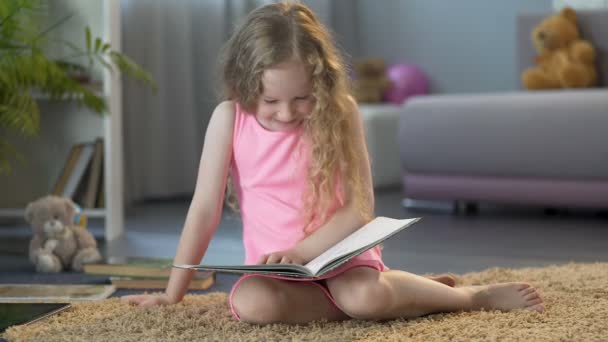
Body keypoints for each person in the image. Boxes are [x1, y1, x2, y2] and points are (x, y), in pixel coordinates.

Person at [122, 1, 544, 324]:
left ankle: (469, 297)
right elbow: (204, 208)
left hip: (341, 258)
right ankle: (405, 295)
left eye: (301, 98)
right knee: (251, 304)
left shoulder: (340, 111)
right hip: (276, 273)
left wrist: (301, 251)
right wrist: (172, 291)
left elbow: (359, 208)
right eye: (271, 101)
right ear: (245, 84)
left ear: (320, 83)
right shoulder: (229, 119)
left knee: (363, 296)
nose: (287, 113)